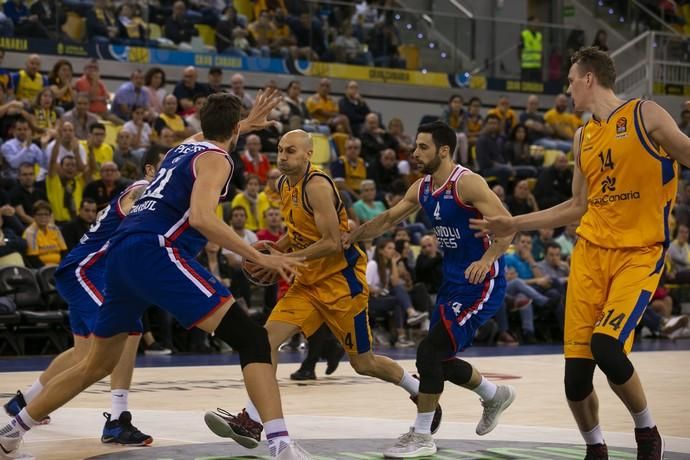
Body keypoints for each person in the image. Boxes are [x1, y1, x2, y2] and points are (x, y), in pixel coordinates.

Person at [0, 91, 311, 459]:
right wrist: (260, 254)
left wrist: (245, 123)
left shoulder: (184, 147)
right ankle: (280, 445)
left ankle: (11, 431)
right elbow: (201, 218)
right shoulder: (219, 159)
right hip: (156, 250)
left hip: (121, 251)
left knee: (96, 363)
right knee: (253, 339)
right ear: (232, 129)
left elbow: (214, 133)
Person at [469, 47, 690, 460]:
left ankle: (648, 433)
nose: (567, 88)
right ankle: (595, 449)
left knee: (607, 347)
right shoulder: (582, 136)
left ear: (589, 78)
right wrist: (514, 222)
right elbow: (576, 205)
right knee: (575, 378)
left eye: (570, 80)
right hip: (590, 253)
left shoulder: (647, 115)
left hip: (638, 253)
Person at [217, 129, 442, 449]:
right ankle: (253, 420)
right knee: (263, 341)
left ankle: (417, 390)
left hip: (341, 283)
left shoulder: (318, 186)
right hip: (307, 282)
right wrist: (272, 250)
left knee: (364, 363)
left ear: (309, 154)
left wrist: (284, 258)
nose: (282, 156)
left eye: (290, 151)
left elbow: (331, 242)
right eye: (279, 150)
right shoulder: (282, 183)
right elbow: (297, 233)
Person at [345, 120, 516, 457]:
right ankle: (494, 395)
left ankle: (422, 435)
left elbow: (508, 225)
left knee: (428, 352)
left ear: (443, 150)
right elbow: (388, 219)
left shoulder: (467, 183)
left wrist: (489, 257)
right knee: (441, 361)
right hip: (453, 282)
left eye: (423, 147)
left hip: (482, 283)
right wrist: (354, 235)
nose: (415, 153)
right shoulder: (422, 188)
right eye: (415, 146)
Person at [4, 148, 165, 446]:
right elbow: (135, 210)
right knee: (128, 329)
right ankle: (117, 420)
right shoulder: (143, 190)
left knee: (82, 353)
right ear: (150, 169)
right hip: (87, 271)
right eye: (167, 164)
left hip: (87, 270)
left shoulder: (154, 191)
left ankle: (24, 401)